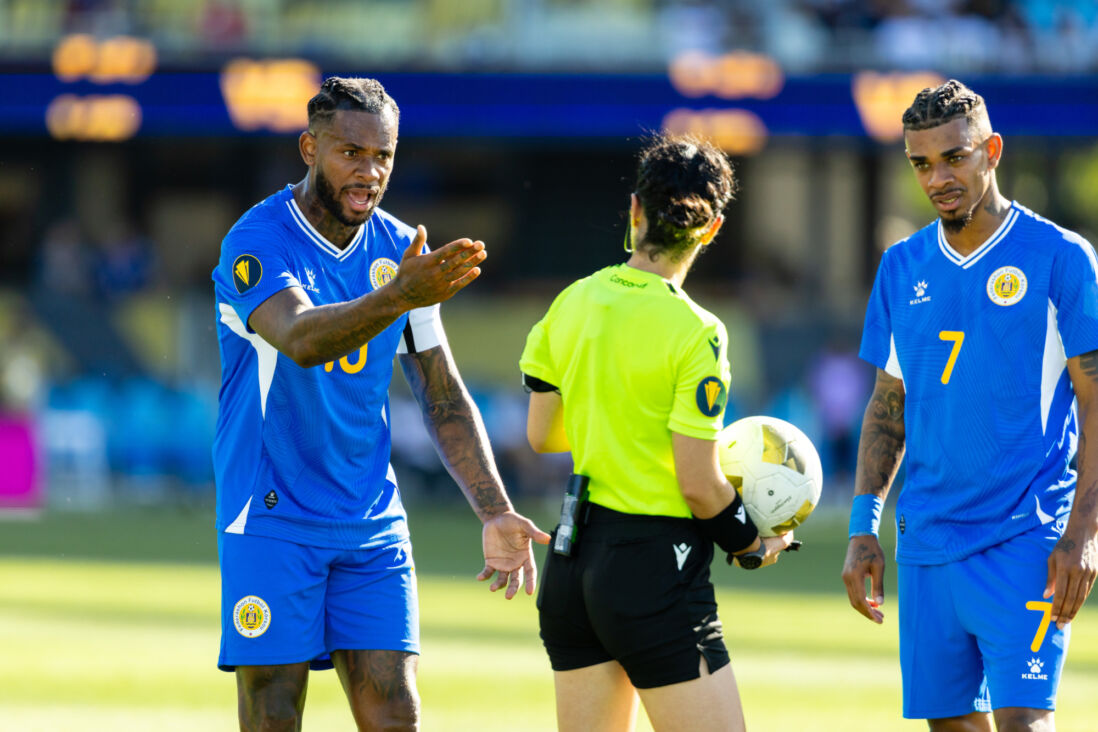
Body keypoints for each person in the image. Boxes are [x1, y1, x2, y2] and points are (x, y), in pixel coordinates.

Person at [210, 76, 550, 732]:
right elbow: (302, 338)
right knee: (274, 714)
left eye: (384, 157)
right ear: (310, 148)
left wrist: (495, 508)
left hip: (370, 520)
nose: (369, 172)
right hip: (272, 514)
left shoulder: (399, 248)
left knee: (396, 714)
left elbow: (443, 394)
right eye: (351, 153)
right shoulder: (257, 241)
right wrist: (398, 295)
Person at [841, 79, 1098, 732]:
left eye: (954, 157)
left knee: (1023, 725)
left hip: (1026, 538)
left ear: (992, 151)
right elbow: (887, 408)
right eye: (921, 164)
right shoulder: (902, 266)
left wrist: (1083, 535)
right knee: (953, 727)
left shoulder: (1061, 258)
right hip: (926, 542)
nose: (937, 178)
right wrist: (862, 526)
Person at [520, 134, 793, 732]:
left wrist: (619, 418)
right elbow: (698, 484)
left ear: (636, 210)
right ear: (713, 227)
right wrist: (750, 545)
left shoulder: (571, 301)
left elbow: (542, 435)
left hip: (571, 568)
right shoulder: (699, 331)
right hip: (652, 569)